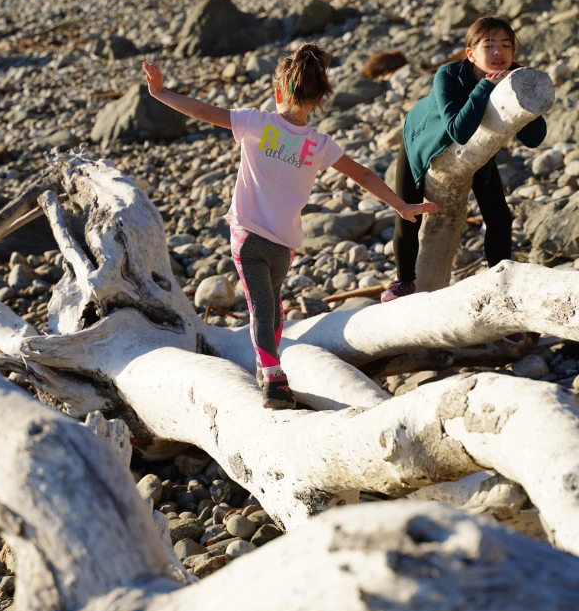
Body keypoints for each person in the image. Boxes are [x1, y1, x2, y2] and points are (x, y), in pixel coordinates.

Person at [143, 43, 438, 411]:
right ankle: (271, 370)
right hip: (285, 245)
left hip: (249, 236)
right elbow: (362, 174)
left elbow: (202, 111)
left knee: (263, 309)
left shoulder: (257, 122)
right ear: (318, 99)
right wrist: (401, 204)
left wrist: (160, 92)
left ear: (279, 91)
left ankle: (271, 377)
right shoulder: (318, 144)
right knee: (272, 308)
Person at [381, 15, 547, 304]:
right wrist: (484, 88)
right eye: (489, 45)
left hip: (477, 151)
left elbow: (533, 139)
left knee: (499, 218)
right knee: (409, 214)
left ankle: (500, 291)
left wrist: (524, 99)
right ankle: (404, 281)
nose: (498, 53)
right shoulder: (448, 75)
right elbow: (457, 130)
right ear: (471, 53)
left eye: (506, 46)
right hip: (423, 141)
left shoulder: (516, 78)